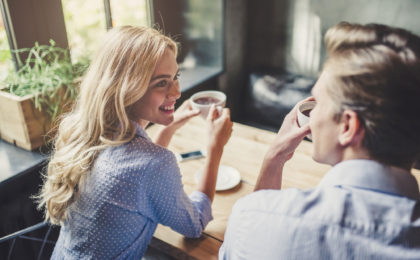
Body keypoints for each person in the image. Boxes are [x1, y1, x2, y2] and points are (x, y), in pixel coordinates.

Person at [219, 22, 420, 259]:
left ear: (347, 127)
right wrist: (276, 157)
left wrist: (272, 157)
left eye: (318, 103)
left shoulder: (255, 218)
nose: (311, 115)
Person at [36, 25, 233, 259]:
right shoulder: (153, 163)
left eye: (175, 77)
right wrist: (215, 148)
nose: (177, 92)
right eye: (162, 83)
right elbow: (194, 224)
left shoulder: (85, 132)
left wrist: (168, 127)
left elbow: (137, 173)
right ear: (126, 88)